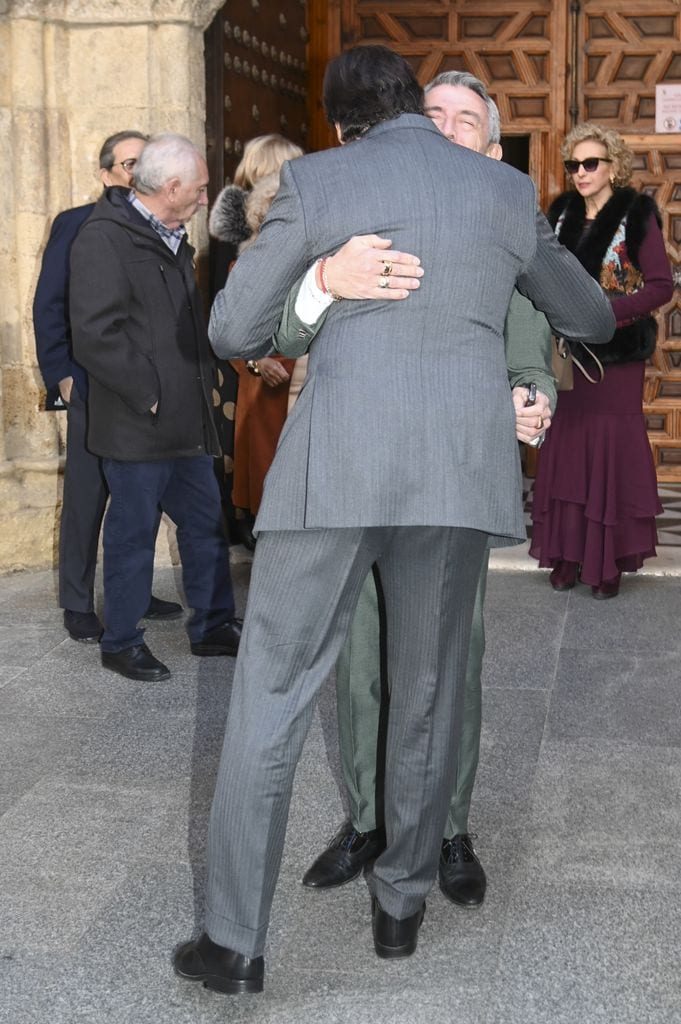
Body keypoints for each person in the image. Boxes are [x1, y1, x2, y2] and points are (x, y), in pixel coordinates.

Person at [174, 45, 614, 993]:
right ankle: (401, 908)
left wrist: (323, 280)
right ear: (416, 105)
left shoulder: (319, 179)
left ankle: (234, 944)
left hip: (333, 471)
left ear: (340, 123)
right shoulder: (498, 191)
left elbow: (232, 332)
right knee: (426, 689)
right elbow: (588, 312)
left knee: (271, 699)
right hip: (454, 479)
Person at [279, 72, 555, 908]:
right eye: (430, 114)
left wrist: (530, 389)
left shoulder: (504, 214)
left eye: (464, 119)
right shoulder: (356, 209)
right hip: (356, 474)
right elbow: (291, 318)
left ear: (491, 145)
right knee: (361, 656)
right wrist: (324, 279)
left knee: (445, 665)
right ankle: (368, 818)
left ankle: (445, 828)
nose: (444, 128)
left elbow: (533, 327)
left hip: (448, 482)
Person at [69, 133, 242, 681]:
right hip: (137, 424)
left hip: (186, 423)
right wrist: (151, 394)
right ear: (171, 188)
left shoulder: (171, 235)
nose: (204, 196)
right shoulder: (103, 238)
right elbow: (96, 335)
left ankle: (213, 626)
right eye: (199, 187)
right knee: (132, 534)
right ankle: (121, 641)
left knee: (203, 526)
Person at [32, 130, 182, 643]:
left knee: (144, 497)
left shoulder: (167, 222)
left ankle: (133, 592)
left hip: (154, 391)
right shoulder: (76, 224)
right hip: (94, 389)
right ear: (105, 174)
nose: (138, 174)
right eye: (129, 164)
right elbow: (49, 306)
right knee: (87, 495)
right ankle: (77, 601)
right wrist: (62, 376)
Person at [530, 122, 673, 599]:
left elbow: (660, 285)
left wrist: (606, 313)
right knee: (566, 449)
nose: (581, 172)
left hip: (617, 355)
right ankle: (567, 556)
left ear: (614, 166)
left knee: (609, 449)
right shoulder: (560, 214)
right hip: (568, 352)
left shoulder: (636, 213)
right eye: (574, 164)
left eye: (591, 163)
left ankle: (606, 562)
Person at [208, 135, 304, 548]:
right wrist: (253, 361)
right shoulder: (237, 240)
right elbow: (225, 314)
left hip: (296, 364)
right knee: (256, 457)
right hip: (253, 367)